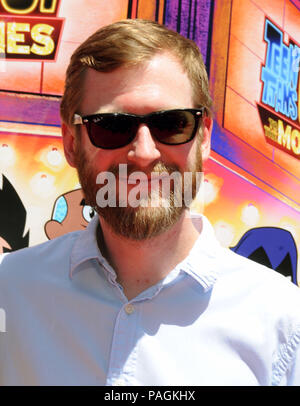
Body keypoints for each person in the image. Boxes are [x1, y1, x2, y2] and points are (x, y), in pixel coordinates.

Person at [0, 19, 300, 386]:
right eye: (110, 126)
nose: (143, 153)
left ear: (204, 136)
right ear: (71, 142)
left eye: (172, 124)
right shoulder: (9, 289)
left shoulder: (283, 320)